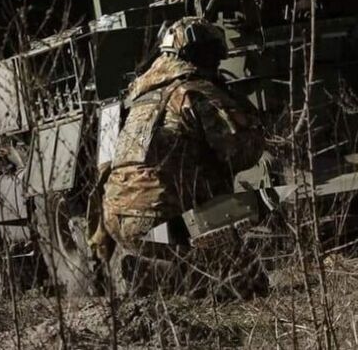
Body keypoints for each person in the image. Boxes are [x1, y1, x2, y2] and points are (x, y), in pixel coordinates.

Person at [93, 16, 266, 291]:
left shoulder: (134, 97)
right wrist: (255, 126)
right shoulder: (194, 92)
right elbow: (238, 154)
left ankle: (162, 267)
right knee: (248, 279)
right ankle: (158, 275)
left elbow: (105, 170)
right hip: (163, 218)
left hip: (119, 221)